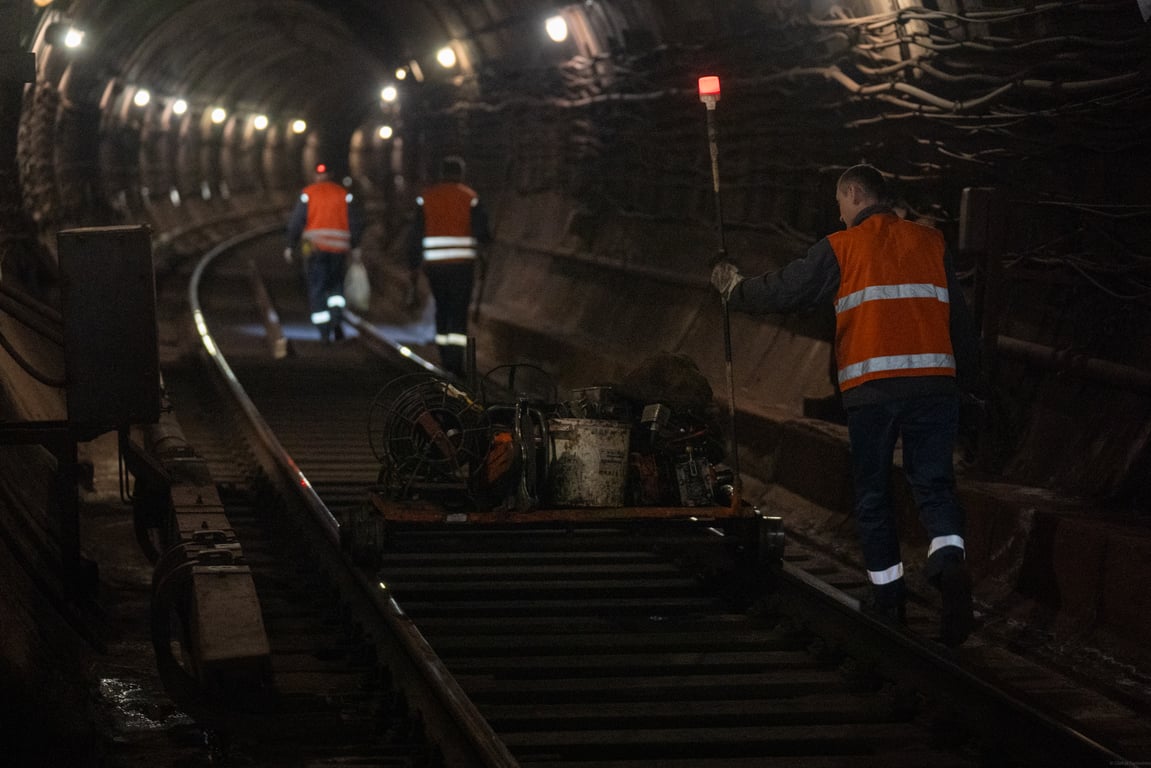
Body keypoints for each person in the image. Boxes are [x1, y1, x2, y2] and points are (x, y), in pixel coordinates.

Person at [710, 164, 982, 647]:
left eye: (840, 202)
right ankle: (948, 562)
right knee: (935, 485)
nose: (839, 213)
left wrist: (736, 290)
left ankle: (888, 594)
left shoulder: (842, 247)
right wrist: (969, 380)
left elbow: (788, 288)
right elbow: (959, 318)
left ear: (855, 194)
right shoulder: (930, 242)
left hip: (873, 391)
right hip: (936, 388)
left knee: (873, 491)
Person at [407, 156, 492, 378]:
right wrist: (485, 246)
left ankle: (445, 356)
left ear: (442, 173)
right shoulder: (470, 197)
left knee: (442, 307)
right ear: (461, 173)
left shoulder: (427, 198)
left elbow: (415, 233)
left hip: (435, 267)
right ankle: (456, 359)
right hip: (462, 266)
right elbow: (482, 230)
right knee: (458, 310)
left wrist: (414, 264)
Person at [285, 163, 364, 343]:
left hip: (314, 249)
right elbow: (355, 222)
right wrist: (356, 245)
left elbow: (297, 221)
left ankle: (323, 331)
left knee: (317, 287)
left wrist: (290, 245)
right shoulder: (343, 194)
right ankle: (336, 319)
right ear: (332, 175)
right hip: (339, 249)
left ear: (316, 176)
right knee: (336, 287)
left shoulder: (308, 193)